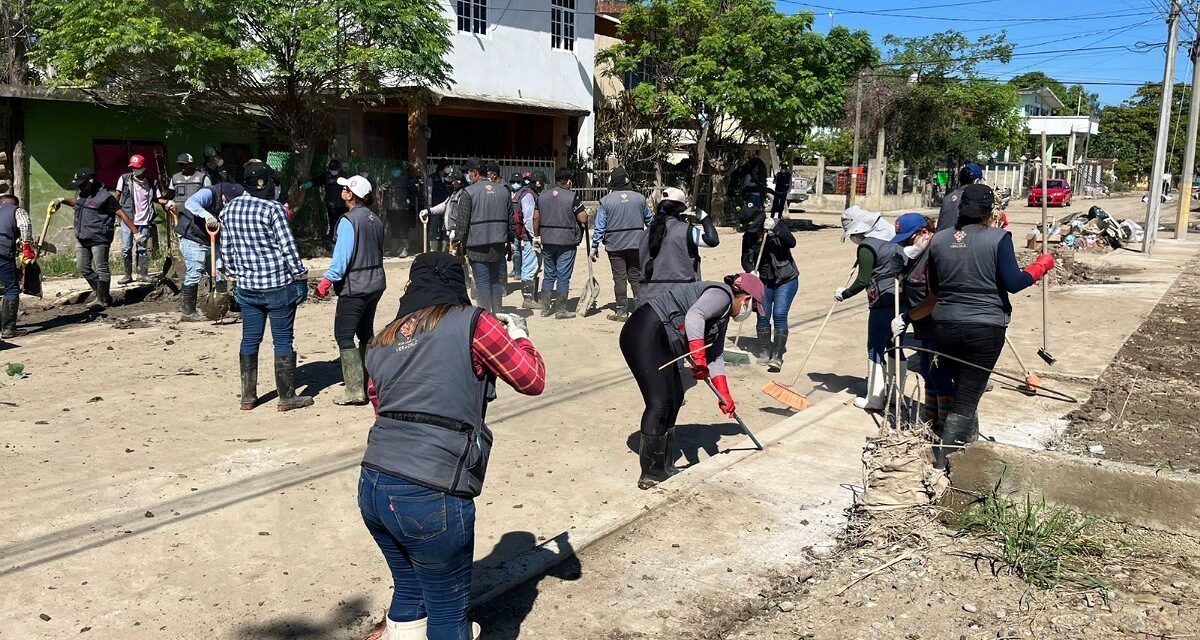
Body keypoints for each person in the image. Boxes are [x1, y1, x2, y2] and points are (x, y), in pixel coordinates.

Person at [359, 251, 545, 640]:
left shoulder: (381, 340)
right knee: (448, 617)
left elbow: (380, 407)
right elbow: (530, 379)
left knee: (410, 588)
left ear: (410, 287)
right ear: (459, 286)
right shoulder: (475, 322)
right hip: (432, 489)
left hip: (374, 484)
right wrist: (521, 337)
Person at [927, 184, 1055, 468]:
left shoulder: (938, 240)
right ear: (990, 212)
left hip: (944, 324)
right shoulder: (998, 238)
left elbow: (934, 286)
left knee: (963, 390)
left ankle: (966, 449)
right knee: (967, 398)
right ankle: (946, 464)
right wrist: (1041, 266)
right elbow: (1013, 282)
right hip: (984, 329)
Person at [620, 273, 765, 489]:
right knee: (659, 401)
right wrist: (698, 357)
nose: (749, 313)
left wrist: (724, 393)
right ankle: (651, 472)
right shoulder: (721, 295)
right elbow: (694, 316)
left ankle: (665, 465)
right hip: (645, 331)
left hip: (662, 339)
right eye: (752, 308)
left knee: (675, 397)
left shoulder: (722, 316)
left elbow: (715, 355)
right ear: (745, 299)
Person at [220, 162, 313, 412]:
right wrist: (300, 277)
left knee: (250, 339)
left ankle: (248, 397)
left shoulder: (229, 209)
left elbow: (226, 253)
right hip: (277, 286)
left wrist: (237, 274)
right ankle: (286, 397)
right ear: (264, 183)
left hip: (247, 288)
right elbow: (288, 248)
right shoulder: (273, 209)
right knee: (282, 340)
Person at [315, 175, 386, 405]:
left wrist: (325, 282)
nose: (342, 191)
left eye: (345, 188)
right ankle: (370, 384)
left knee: (344, 335)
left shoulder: (348, 221)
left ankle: (355, 391)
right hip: (375, 283)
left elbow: (341, 259)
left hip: (355, 286)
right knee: (365, 333)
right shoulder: (375, 219)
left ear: (352, 195)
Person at [889, 213, 955, 435]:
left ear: (925, 232)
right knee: (928, 372)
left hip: (939, 327)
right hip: (924, 328)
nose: (906, 245)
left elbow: (934, 299)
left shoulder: (937, 254)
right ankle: (931, 423)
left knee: (940, 375)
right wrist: (902, 271)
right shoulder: (919, 255)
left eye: (909, 240)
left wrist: (906, 318)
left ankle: (947, 430)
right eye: (903, 242)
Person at [835, 205, 904, 412]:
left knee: (875, 347)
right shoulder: (893, 236)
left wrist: (844, 293)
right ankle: (896, 396)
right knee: (896, 345)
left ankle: (875, 399)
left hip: (881, 302)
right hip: (901, 299)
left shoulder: (867, 247)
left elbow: (863, 280)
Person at [56, 169, 142, 307]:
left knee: (101, 268)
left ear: (91, 181)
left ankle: (101, 299)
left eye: (82, 184)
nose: (79, 187)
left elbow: (122, 214)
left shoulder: (106, 197)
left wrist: (136, 233)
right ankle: (102, 293)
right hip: (82, 237)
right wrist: (62, 200)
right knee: (82, 267)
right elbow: (78, 203)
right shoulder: (81, 193)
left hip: (99, 238)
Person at [636, 187, 719, 305]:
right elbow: (712, 240)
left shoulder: (645, 234)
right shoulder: (687, 231)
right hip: (680, 296)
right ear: (681, 211)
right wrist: (704, 218)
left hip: (648, 298)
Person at [740, 204, 797, 372]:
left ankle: (777, 356)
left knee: (779, 314)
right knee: (763, 316)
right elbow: (744, 258)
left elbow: (792, 242)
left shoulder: (775, 226)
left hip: (785, 280)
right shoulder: (748, 237)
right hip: (763, 280)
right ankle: (764, 351)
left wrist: (778, 229)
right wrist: (750, 270)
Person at [453, 158, 515, 314]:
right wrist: (510, 241)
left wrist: (458, 244)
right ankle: (497, 314)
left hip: (477, 246)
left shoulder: (468, 193)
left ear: (474, 173)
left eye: (468, 172)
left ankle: (485, 317)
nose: (468, 176)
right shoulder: (503, 191)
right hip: (499, 245)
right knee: (495, 282)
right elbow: (511, 220)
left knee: (482, 283)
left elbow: (462, 223)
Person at [591, 167, 652, 322]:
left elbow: (600, 226)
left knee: (619, 278)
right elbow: (651, 221)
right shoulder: (640, 198)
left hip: (615, 245)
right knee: (636, 276)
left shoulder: (606, 201)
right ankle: (640, 311)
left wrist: (594, 246)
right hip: (637, 244)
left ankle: (621, 312)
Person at [179, 182, 242, 321]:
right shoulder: (209, 193)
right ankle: (188, 312)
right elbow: (191, 203)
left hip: (212, 238)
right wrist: (206, 215)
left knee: (220, 271)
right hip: (193, 237)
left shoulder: (237, 198)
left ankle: (221, 307)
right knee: (195, 271)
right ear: (224, 194)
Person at [534, 167, 588, 319]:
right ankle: (561, 310)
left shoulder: (542, 195)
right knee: (563, 275)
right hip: (566, 241)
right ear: (569, 180)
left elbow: (536, 218)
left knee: (549, 274)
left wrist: (537, 236)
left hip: (547, 240)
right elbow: (583, 218)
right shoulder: (572, 196)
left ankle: (545, 308)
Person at [114, 154, 170, 283]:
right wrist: (116, 212)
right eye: (133, 167)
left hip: (144, 220)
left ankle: (143, 274)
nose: (135, 170)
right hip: (128, 220)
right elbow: (117, 196)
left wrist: (167, 203)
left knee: (142, 248)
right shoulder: (124, 179)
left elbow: (157, 199)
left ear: (144, 167)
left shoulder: (152, 182)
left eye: (137, 167)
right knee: (126, 248)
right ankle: (127, 275)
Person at [0, 194, 34, 338]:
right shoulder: (16, 210)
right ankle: (8, 329)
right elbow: (25, 225)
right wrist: (27, 247)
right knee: (12, 289)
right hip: (3, 252)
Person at [512, 172, 541, 309]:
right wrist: (535, 236)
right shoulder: (529, 195)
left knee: (530, 265)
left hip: (524, 235)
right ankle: (528, 299)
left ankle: (532, 297)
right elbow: (529, 219)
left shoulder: (522, 193)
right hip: (529, 237)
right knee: (531, 265)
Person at [422, 170, 467, 254]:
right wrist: (428, 211)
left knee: (456, 258)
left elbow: (463, 214)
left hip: (455, 234)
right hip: (448, 232)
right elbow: (443, 206)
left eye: (453, 182)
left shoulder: (463, 195)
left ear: (458, 182)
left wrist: (456, 229)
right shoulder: (453, 194)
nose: (451, 184)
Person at [936, 163, 984, 232]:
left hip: (940, 239)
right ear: (976, 181)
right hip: (958, 240)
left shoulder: (948, 197)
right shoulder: (974, 199)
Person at [167, 153, 211, 225]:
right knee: (180, 235)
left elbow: (209, 196)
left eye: (185, 164)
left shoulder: (202, 178)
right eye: (180, 164)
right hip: (180, 214)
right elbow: (169, 195)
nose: (182, 167)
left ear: (191, 164)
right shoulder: (175, 178)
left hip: (197, 214)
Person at [382, 164, 415, 257]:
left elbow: (414, 192)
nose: (395, 172)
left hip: (404, 209)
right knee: (394, 229)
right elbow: (382, 192)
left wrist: (409, 200)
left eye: (397, 169)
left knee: (403, 230)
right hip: (391, 209)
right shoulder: (388, 180)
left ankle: (404, 249)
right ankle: (394, 249)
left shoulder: (406, 180)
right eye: (394, 169)